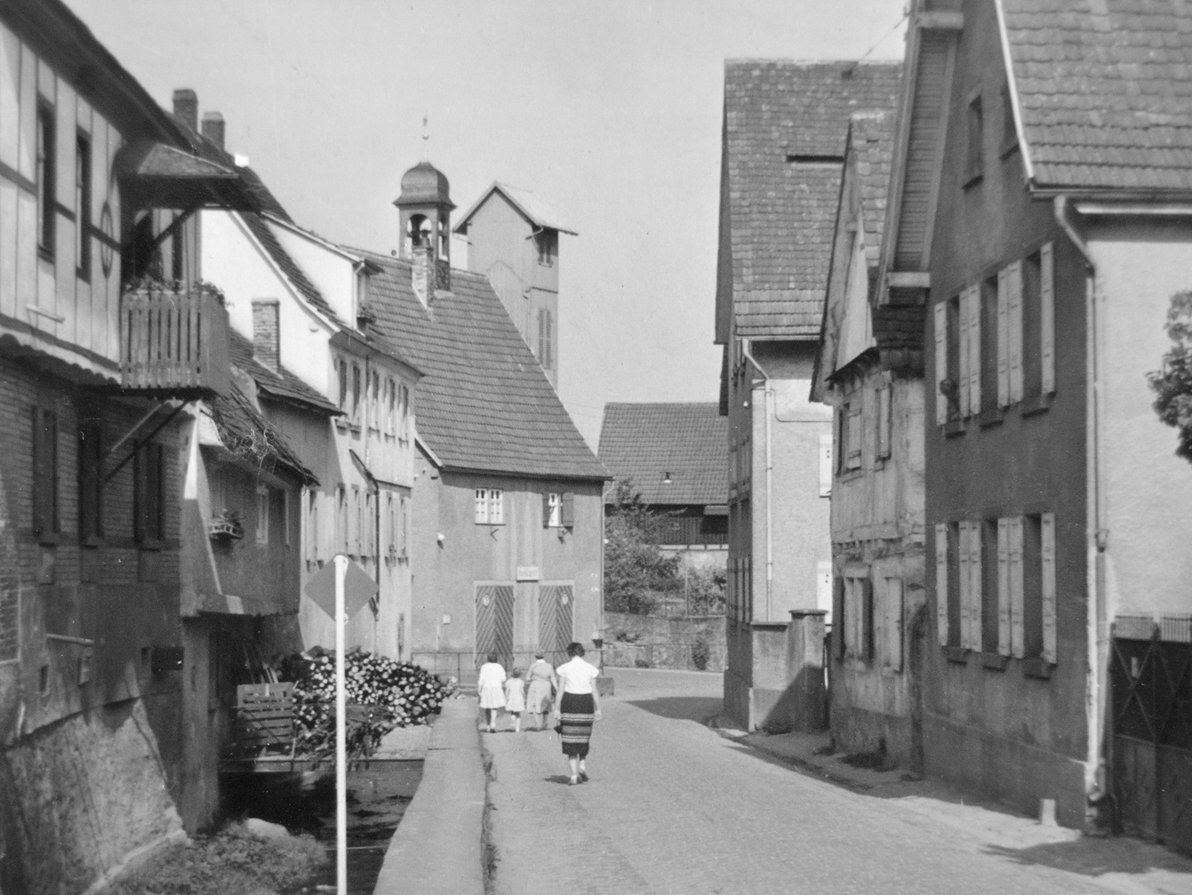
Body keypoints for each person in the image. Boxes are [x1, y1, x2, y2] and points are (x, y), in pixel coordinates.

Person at [553, 642, 601, 785]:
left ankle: (574, 775)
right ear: (582, 653)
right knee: (583, 735)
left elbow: (560, 690)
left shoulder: (564, 668)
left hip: (570, 702)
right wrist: (598, 709)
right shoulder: (591, 669)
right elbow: (594, 690)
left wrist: (556, 708)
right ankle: (582, 764)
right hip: (586, 702)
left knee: (570, 738)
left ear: (569, 653)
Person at [524, 651, 557, 731]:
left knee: (535, 704)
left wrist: (533, 678)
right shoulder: (549, 666)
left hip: (536, 685)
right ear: (544, 656)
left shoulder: (533, 666)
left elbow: (527, 677)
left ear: (536, 656)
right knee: (545, 703)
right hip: (546, 685)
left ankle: (538, 724)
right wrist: (557, 688)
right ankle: (544, 722)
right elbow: (552, 677)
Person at [476, 653, 506, 733]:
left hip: (487, 688)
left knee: (487, 706)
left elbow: (481, 679)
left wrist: (479, 689)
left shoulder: (484, 667)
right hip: (496, 687)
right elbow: (503, 679)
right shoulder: (499, 667)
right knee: (494, 707)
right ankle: (493, 723)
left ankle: (488, 725)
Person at [503, 668, 526, 733]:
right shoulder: (521, 682)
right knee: (518, 714)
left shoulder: (509, 681)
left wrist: (506, 697)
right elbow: (522, 691)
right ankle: (517, 729)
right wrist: (524, 697)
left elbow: (507, 691)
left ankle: (513, 721)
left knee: (512, 712)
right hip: (518, 698)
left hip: (511, 698)